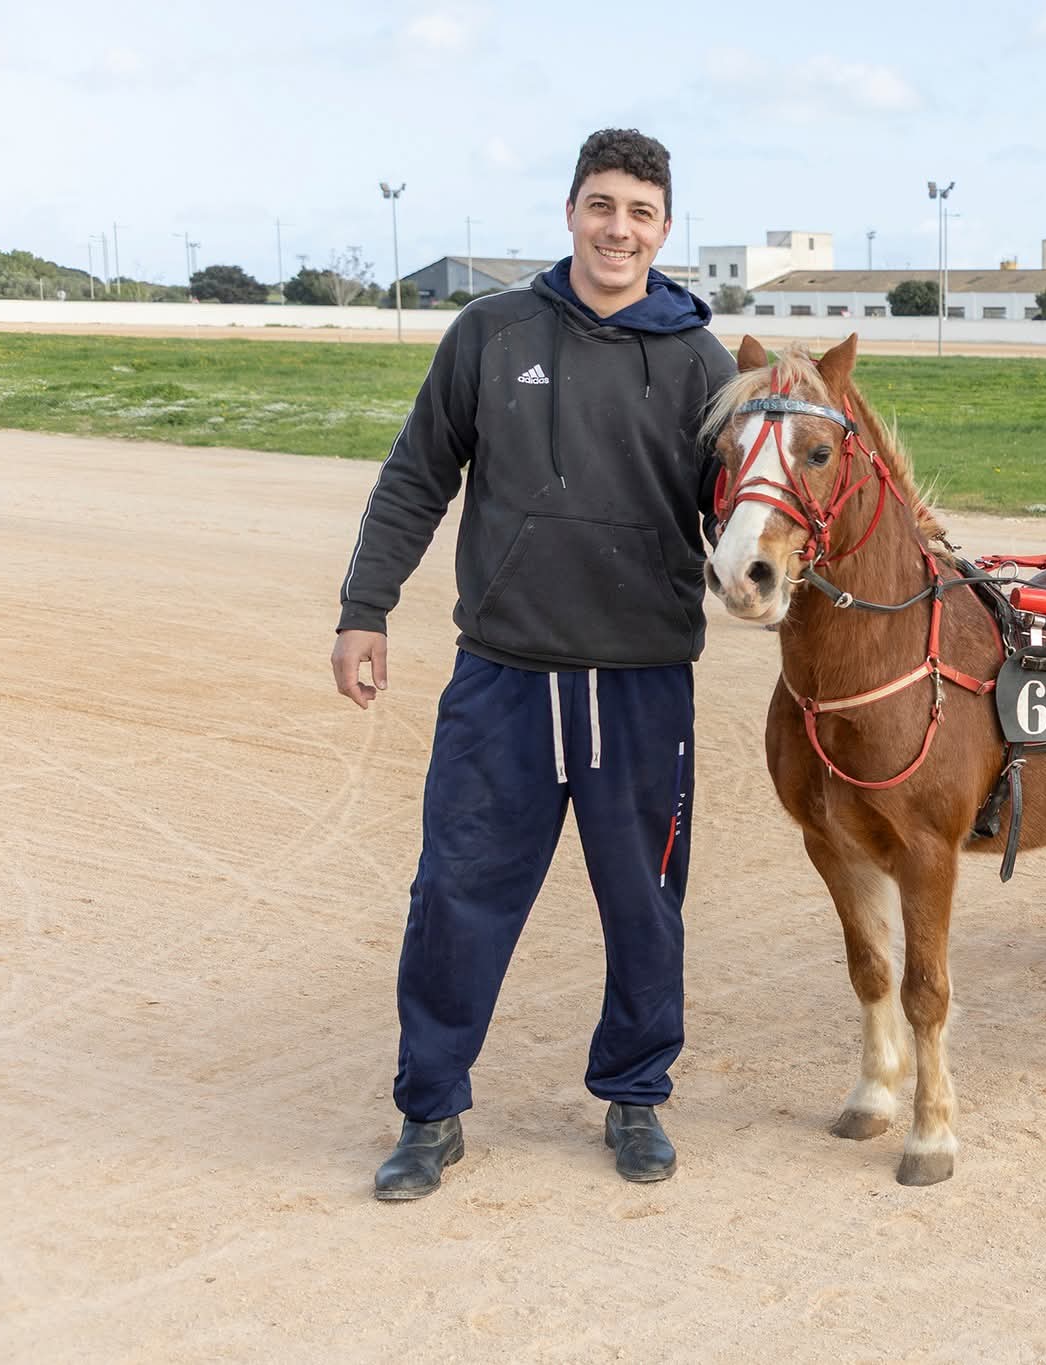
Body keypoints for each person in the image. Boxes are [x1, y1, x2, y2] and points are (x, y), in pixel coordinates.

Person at [331, 129, 736, 1200]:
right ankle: (429, 1112)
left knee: (645, 904)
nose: (618, 229)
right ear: (569, 213)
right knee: (456, 895)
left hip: (641, 683)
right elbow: (417, 474)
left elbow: (739, 519)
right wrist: (365, 607)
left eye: (640, 213)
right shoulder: (489, 330)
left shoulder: (701, 359)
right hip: (503, 677)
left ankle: (634, 1095)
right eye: (601, 206)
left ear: (663, 228)